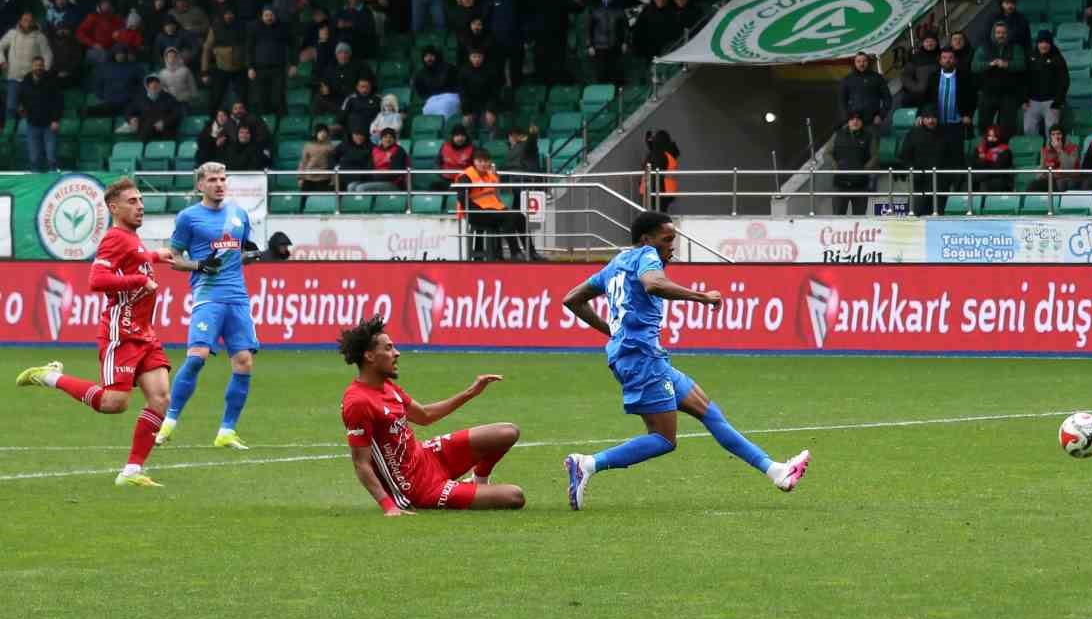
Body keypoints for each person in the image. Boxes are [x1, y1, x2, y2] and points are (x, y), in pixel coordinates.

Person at [559, 212, 810, 510]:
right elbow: (653, 284)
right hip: (642, 361)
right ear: (646, 240)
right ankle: (587, 464)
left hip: (646, 359)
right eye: (667, 240)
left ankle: (777, 471)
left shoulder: (617, 263)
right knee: (664, 439)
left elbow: (572, 299)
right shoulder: (646, 256)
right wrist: (702, 297)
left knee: (709, 412)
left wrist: (613, 332)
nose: (672, 247)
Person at [14, 178, 176, 488]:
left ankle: (131, 471)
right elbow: (97, 279)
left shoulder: (132, 238)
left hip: (144, 331)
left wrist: (156, 256)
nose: (140, 205)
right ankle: (50, 376)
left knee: (160, 398)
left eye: (141, 200)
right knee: (115, 403)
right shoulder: (115, 238)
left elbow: (135, 262)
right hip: (121, 331)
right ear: (114, 208)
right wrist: (139, 283)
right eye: (132, 201)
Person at [338, 317, 524, 514]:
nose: (396, 353)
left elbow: (425, 415)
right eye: (388, 348)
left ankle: (478, 481)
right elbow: (361, 463)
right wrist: (389, 506)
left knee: (507, 432)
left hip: (428, 456)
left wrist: (470, 393)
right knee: (515, 496)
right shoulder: (358, 402)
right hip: (419, 489)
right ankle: (464, 491)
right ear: (369, 356)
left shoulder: (386, 386)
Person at [154, 163, 260, 450]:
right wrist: (199, 265)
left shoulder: (239, 215)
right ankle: (169, 421)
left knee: (244, 362)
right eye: (212, 179)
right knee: (197, 356)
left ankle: (226, 431)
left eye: (223, 179)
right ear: (200, 185)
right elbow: (173, 258)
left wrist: (263, 254)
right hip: (208, 296)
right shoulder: (189, 218)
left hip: (237, 297)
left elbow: (241, 253)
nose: (219, 184)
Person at [461, 149, 527, 260]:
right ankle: (515, 253)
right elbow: (462, 198)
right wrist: (477, 210)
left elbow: (495, 193)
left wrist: (495, 176)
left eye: (485, 161)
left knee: (520, 216)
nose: (483, 164)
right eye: (480, 161)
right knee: (508, 217)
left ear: (489, 162)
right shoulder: (466, 176)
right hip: (475, 212)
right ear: (474, 162)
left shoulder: (490, 175)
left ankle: (530, 250)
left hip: (492, 209)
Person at [976, 20, 1026, 135]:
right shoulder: (984, 48)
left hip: (1009, 94)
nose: (1001, 35)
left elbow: (1021, 65)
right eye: (998, 33)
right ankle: (985, 151)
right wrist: (989, 64)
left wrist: (1006, 64)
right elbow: (975, 66)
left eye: (1003, 33)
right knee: (984, 126)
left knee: (1007, 128)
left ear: (1007, 34)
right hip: (988, 93)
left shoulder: (1016, 47)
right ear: (993, 33)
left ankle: (1004, 150)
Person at [831, 110, 875, 215]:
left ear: (862, 122)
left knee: (859, 218)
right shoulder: (838, 135)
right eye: (852, 119)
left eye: (858, 119)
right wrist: (835, 167)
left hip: (861, 184)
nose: (855, 121)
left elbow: (875, 156)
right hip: (840, 183)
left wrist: (865, 170)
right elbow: (827, 153)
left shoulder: (869, 136)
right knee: (837, 218)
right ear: (848, 121)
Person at [1028, 124, 1079, 192]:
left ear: (1064, 136)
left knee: (1060, 183)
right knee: (1033, 185)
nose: (1056, 137)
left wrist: (1059, 150)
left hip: (1067, 178)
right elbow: (1042, 168)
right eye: (1053, 134)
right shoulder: (1045, 150)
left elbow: (1069, 168)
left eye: (1059, 134)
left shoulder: (1073, 148)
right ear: (1050, 137)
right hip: (1050, 179)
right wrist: (1040, 175)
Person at [969, 125, 1014, 192]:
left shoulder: (1005, 151)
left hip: (999, 178)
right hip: (980, 176)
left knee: (983, 183)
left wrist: (985, 160)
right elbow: (973, 164)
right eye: (989, 136)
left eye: (994, 137)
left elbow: (999, 168)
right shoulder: (979, 149)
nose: (991, 139)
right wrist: (987, 162)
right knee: (969, 180)